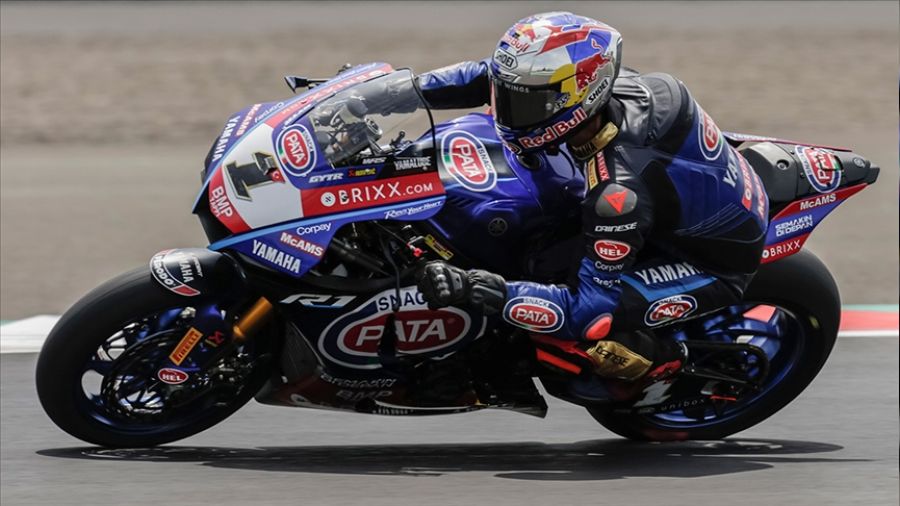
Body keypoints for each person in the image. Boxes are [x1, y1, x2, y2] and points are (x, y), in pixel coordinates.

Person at [414, 12, 769, 392]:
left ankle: (664, 360)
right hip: (678, 198)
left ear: (583, 98)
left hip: (705, 261)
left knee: (580, 337)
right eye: (508, 96)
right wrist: (405, 91)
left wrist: (483, 289)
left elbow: (587, 309)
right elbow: (491, 75)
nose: (506, 108)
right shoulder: (602, 87)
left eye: (526, 103)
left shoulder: (617, 196)